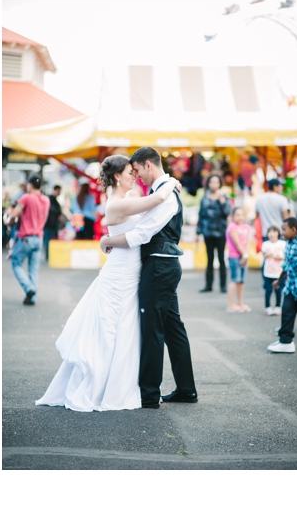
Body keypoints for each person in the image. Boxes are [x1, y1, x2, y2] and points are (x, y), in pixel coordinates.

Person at [35, 155, 179, 411]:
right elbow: (157, 199)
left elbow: (149, 211)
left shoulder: (127, 199)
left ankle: (119, 383)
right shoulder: (115, 204)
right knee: (114, 328)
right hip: (120, 272)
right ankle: (103, 386)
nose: (134, 176)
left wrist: (106, 240)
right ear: (116, 176)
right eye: (129, 172)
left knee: (126, 328)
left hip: (131, 268)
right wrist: (172, 183)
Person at [99, 147, 198, 409]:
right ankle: (186, 389)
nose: (137, 176)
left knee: (152, 330)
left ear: (148, 165)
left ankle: (150, 395)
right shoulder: (161, 191)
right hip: (162, 267)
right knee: (173, 329)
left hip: (159, 268)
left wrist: (108, 239)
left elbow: (141, 235)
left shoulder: (165, 194)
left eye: (138, 170)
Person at [268, 217, 297, 354]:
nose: (282, 232)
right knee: (287, 313)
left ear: (293, 229)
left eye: (284, 229)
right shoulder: (288, 243)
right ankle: (286, 341)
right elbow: (287, 265)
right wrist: (278, 280)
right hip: (291, 287)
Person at [8, 174, 50, 306]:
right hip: (39, 238)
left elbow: (14, 214)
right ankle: (32, 297)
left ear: (30, 185)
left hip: (26, 238)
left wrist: (11, 222)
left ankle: (28, 288)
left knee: (16, 263)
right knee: (33, 269)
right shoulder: (46, 200)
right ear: (41, 186)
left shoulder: (26, 197)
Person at [196, 174, 232, 293]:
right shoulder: (204, 198)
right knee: (209, 259)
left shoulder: (224, 197)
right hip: (208, 232)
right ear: (208, 183)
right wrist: (198, 232)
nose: (214, 185)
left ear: (220, 184)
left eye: (216, 182)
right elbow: (201, 216)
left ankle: (223, 286)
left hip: (221, 232)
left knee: (221, 259)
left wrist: (222, 201)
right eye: (212, 182)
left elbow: (227, 213)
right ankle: (208, 285)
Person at [226, 207, 251, 313]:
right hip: (234, 257)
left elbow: (248, 243)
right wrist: (244, 255)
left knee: (241, 281)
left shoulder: (247, 227)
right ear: (232, 216)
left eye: (242, 214)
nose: (240, 217)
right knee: (235, 280)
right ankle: (231, 304)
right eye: (237, 215)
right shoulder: (232, 227)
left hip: (244, 257)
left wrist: (246, 255)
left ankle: (240, 303)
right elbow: (237, 243)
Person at [254, 178, 290, 243]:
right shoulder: (282, 199)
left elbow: (256, 217)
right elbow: (286, 219)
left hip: (266, 233)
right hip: (279, 233)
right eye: (280, 186)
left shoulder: (259, 199)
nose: (282, 188)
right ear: (275, 187)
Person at [261, 225, 286, 316]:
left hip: (279, 272)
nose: (272, 234)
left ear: (278, 233)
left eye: (274, 232)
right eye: (270, 232)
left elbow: (285, 256)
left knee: (278, 290)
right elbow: (263, 256)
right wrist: (267, 254)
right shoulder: (265, 244)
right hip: (268, 272)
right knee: (268, 290)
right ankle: (267, 307)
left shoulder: (282, 244)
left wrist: (279, 256)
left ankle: (278, 306)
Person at [43, 185, 63, 261]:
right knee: (49, 240)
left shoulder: (53, 199)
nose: (60, 192)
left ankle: (50, 255)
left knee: (50, 240)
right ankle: (48, 256)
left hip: (52, 224)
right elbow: (53, 210)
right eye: (59, 191)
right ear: (56, 190)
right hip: (49, 224)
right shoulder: (50, 199)